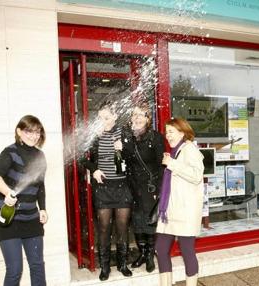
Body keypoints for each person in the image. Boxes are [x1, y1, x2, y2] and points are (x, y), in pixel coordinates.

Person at [0, 115, 48, 286]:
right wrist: (7, 192)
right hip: (8, 219)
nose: (34, 135)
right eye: (29, 131)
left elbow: (40, 186)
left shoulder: (40, 156)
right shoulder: (10, 152)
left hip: (31, 218)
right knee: (15, 270)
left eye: (37, 131)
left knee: (37, 266)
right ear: (19, 131)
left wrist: (42, 209)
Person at [83, 101, 133, 280]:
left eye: (106, 117)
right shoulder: (94, 135)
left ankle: (122, 264)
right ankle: (105, 266)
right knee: (104, 228)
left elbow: (133, 155)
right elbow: (83, 158)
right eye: (100, 118)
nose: (102, 121)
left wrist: (124, 148)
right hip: (103, 188)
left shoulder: (125, 132)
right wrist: (94, 169)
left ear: (115, 116)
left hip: (122, 188)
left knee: (122, 228)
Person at [155, 118, 204, 286]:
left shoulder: (190, 149)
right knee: (161, 250)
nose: (168, 135)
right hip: (170, 211)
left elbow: (197, 175)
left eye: (171, 132)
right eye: (166, 132)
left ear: (182, 132)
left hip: (185, 211)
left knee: (187, 251)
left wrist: (172, 164)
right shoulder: (176, 151)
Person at [122, 104, 164, 273]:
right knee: (137, 223)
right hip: (133, 188)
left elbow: (162, 165)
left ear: (148, 119)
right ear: (131, 119)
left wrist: (160, 190)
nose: (137, 118)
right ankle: (142, 253)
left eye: (142, 115)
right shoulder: (128, 138)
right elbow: (126, 162)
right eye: (134, 115)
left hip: (150, 187)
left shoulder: (156, 138)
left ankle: (149, 257)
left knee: (150, 222)